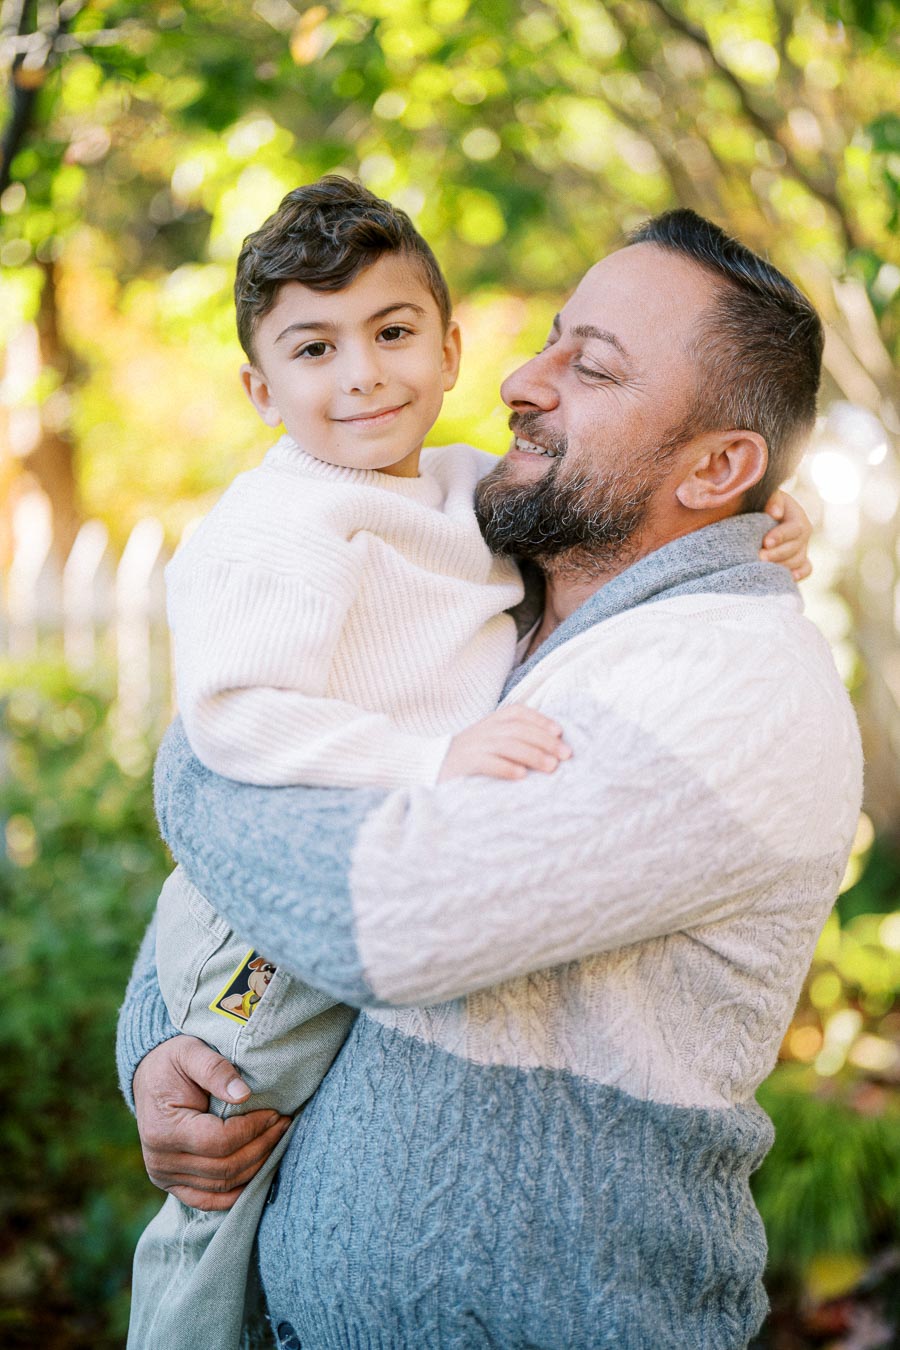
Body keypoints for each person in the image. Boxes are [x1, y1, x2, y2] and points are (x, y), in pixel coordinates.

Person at [118, 209, 861, 1349]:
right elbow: (262, 883)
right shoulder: (507, 591)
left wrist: (198, 764)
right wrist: (160, 1047)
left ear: (720, 466)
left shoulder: (729, 674)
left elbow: (385, 921)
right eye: (552, 338)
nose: (521, 375)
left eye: (591, 363)